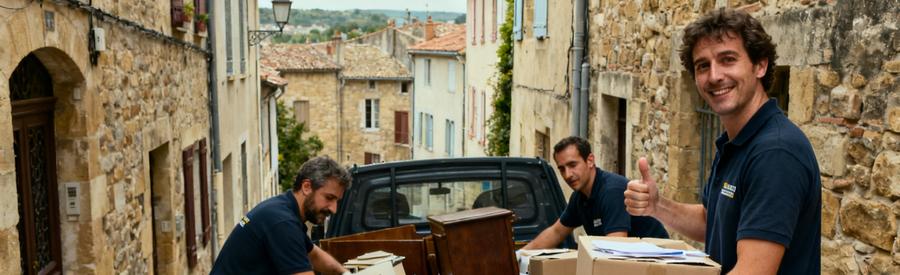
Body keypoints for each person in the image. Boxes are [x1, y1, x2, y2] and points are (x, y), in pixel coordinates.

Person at [623, 8, 821, 274]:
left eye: (727, 59)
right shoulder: (736, 141)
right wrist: (658, 206)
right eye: (702, 66)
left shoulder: (775, 152)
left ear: (760, 65)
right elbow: (711, 220)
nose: (714, 76)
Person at [521, 136, 668, 250]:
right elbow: (556, 232)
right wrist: (520, 255)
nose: (567, 175)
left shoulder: (612, 191)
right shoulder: (579, 197)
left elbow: (616, 245)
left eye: (572, 165)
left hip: (658, 263)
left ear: (590, 160)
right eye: (561, 169)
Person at [212, 156, 352, 275]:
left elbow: (314, 255)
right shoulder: (282, 223)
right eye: (329, 198)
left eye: (337, 201)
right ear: (307, 187)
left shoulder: (284, 209)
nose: (334, 209)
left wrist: (345, 273)